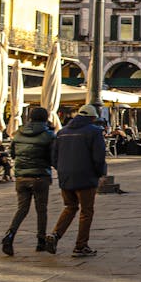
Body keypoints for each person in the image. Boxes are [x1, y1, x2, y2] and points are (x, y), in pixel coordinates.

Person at [45, 104, 106, 258]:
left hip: (66, 176)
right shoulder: (94, 132)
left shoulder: (62, 132)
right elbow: (99, 158)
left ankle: (55, 235)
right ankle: (81, 245)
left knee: (70, 206)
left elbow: (54, 157)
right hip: (86, 176)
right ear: (92, 118)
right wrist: (100, 174)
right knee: (86, 211)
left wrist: (63, 170)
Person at [1, 106, 55, 256]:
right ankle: (40, 241)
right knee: (41, 209)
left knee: (22, 209)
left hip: (21, 177)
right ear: (45, 118)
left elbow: (13, 154)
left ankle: (10, 234)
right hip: (40, 176)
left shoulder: (18, 133)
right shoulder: (48, 135)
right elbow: (53, 157)